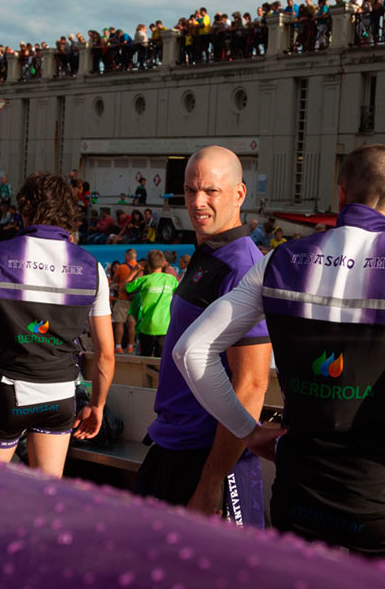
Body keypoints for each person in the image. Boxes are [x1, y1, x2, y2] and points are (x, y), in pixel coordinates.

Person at [173, 144, 385, 572]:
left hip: (295, 497)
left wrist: (249, 431)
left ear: (340, 196)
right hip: (378, 506)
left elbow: (191, 351)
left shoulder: (280, 261)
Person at [0, 172, 115, 477]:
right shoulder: (93, 268)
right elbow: (106, 353)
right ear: (69, 212)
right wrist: (98, 405)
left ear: (25, 210)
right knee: (45, 495)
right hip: (62, 397)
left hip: (11, 393)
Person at [134, 145, 272, 526]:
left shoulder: (242, 267)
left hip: (208, 459)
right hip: (173, 446)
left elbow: (252, 384)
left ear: (239, 194)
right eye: (191, 190)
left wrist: (211, 480)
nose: (198, 202)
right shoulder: (209, 254)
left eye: (211, 191)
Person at [124, 250, 178, 357]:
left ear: (147, 264)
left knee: (146, 360)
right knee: (160, 362)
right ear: (163, 263)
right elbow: (179, 294)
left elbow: (126, 287)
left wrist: (134, 271)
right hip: (165, 328)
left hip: (146, 327)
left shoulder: (144, 280)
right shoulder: (171, 280)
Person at [112, 248, 138, 353]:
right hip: (134, 300)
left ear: (127, 256)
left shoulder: (122, 267)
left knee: (119, 323)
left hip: (123, 298)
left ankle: (118, 347)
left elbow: (115, 280)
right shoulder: (140, 268)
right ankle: (130, 346)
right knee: (132, 324)